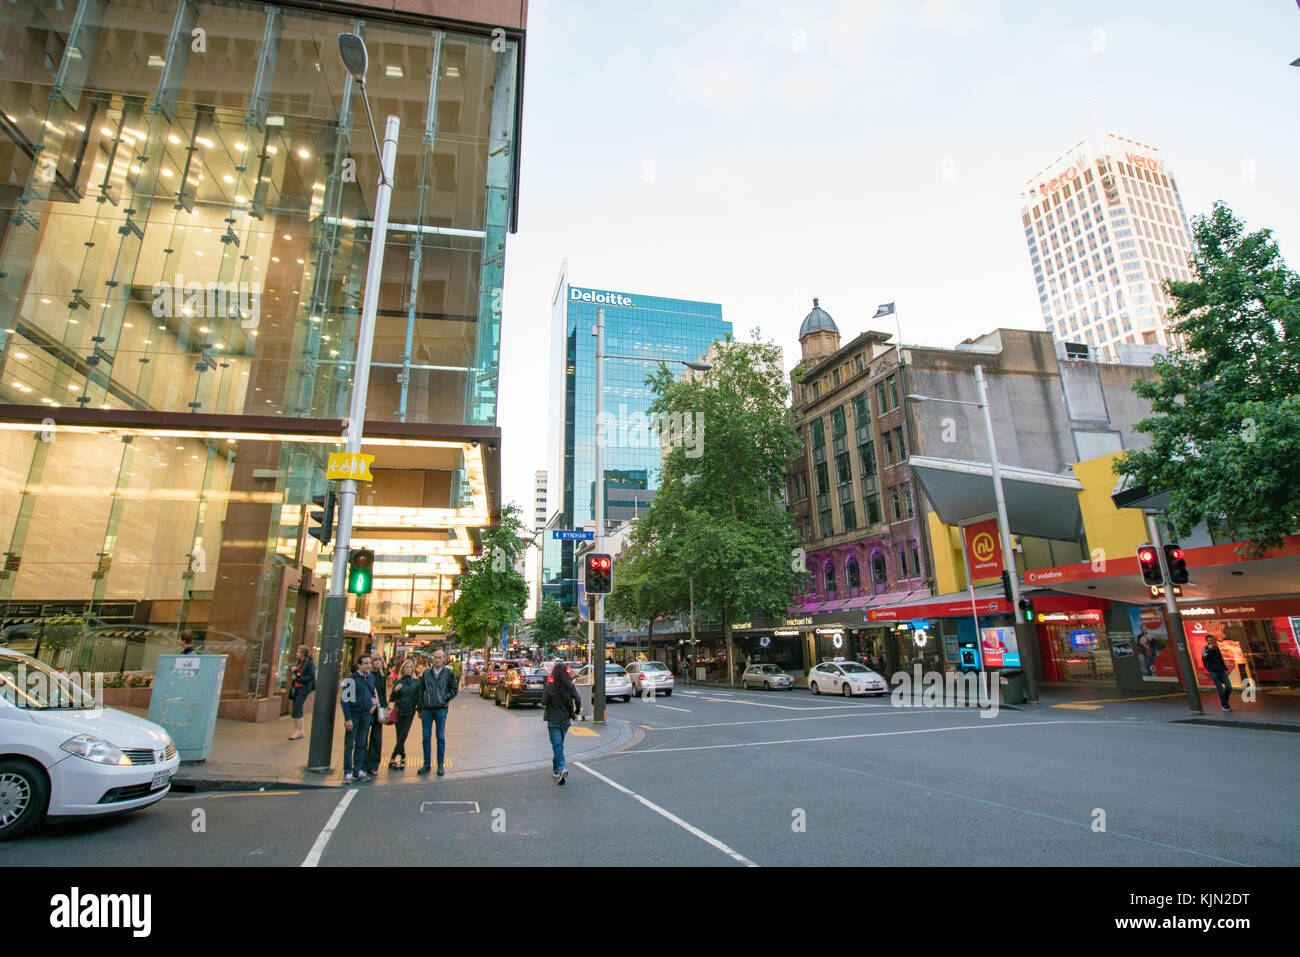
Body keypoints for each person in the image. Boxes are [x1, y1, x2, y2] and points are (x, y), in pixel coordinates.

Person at [417, 649, 458, 775]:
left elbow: (454, 689)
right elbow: (421, 690)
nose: (438, 660)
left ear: (444, 659)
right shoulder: (426, 673)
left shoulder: (448, 673)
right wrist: (420, 707)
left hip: (441, 708)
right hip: (427, 709)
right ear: (432, 659)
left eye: (440, 657)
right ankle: (426, 764)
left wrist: (444, 698)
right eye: (435, 657)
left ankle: (440, 764)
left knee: (440, 737)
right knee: (426, 737)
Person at [542, 656, 582, 785]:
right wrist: (576, 711)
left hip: (553, 719)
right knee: (559, 744)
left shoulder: (549, 686)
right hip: (565, 719)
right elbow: (578, 699)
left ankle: (561, 768)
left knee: (557, 744)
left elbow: (543, 703)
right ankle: (556, 769)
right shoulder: (569, 686)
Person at [340, 654, 376, 782]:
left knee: (361, 743)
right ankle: (348, 771)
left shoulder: (372, 678)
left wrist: (372, 706)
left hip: (366, 716)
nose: (368, 665)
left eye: (369, 663)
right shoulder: (351, 679)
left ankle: (359, 770)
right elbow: (344, 700)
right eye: (365, 663)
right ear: (359, 665)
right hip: (354, 715)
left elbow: (372, 694)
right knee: (350, 744)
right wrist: (347, 718)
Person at [388, 658, 420, 770]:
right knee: (399, 735)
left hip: (410, 711)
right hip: (399, 711)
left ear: (413, 669)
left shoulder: (417, 682)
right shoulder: (398, 682)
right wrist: (395, 690)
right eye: (406, 667)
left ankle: (393, 757)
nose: (408, 669)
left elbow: (418, 698)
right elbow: (391, 699)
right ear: (403, 669)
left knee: (404, 734)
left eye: (410, 667)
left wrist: (419, 710)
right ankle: (403, 757)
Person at [364, 654, 389, 775]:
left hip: (379, 710)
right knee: (363, 737)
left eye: (380, 660)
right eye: (375, 660)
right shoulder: (367, 677)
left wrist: (385, 707)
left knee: (376, 737)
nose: (377, 663)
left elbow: (383, 693)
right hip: (368, 709)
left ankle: (373, 765)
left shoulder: (382, 677)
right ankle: (363, 763)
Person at [287, 644, 315, 741]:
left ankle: (297, 731)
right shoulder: (299, 662)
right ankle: (300, 730)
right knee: (297, 708)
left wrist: (300, 679)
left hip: (303, 688)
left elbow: (311, 676)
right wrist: (292, 670)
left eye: (298, 651)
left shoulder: (309, 662)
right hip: (297, 687)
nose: (296, 653)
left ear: (302, 653)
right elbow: (295, 670)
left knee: (297, 708)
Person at [1202, 635, 1233, 712]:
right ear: (1207, 641)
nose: (1212, 641)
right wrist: (1209, 651)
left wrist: (1225, 668)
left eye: (1212, 640)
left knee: (1229, 687)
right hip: (1213, 671)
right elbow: (1204, 659)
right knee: (1220, 688)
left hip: (1221, 670)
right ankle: (1225, 705)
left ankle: (1225, 699)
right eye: (1210, 640)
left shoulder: (1217, 648)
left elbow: (1220, 659)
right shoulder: (1205, 649)